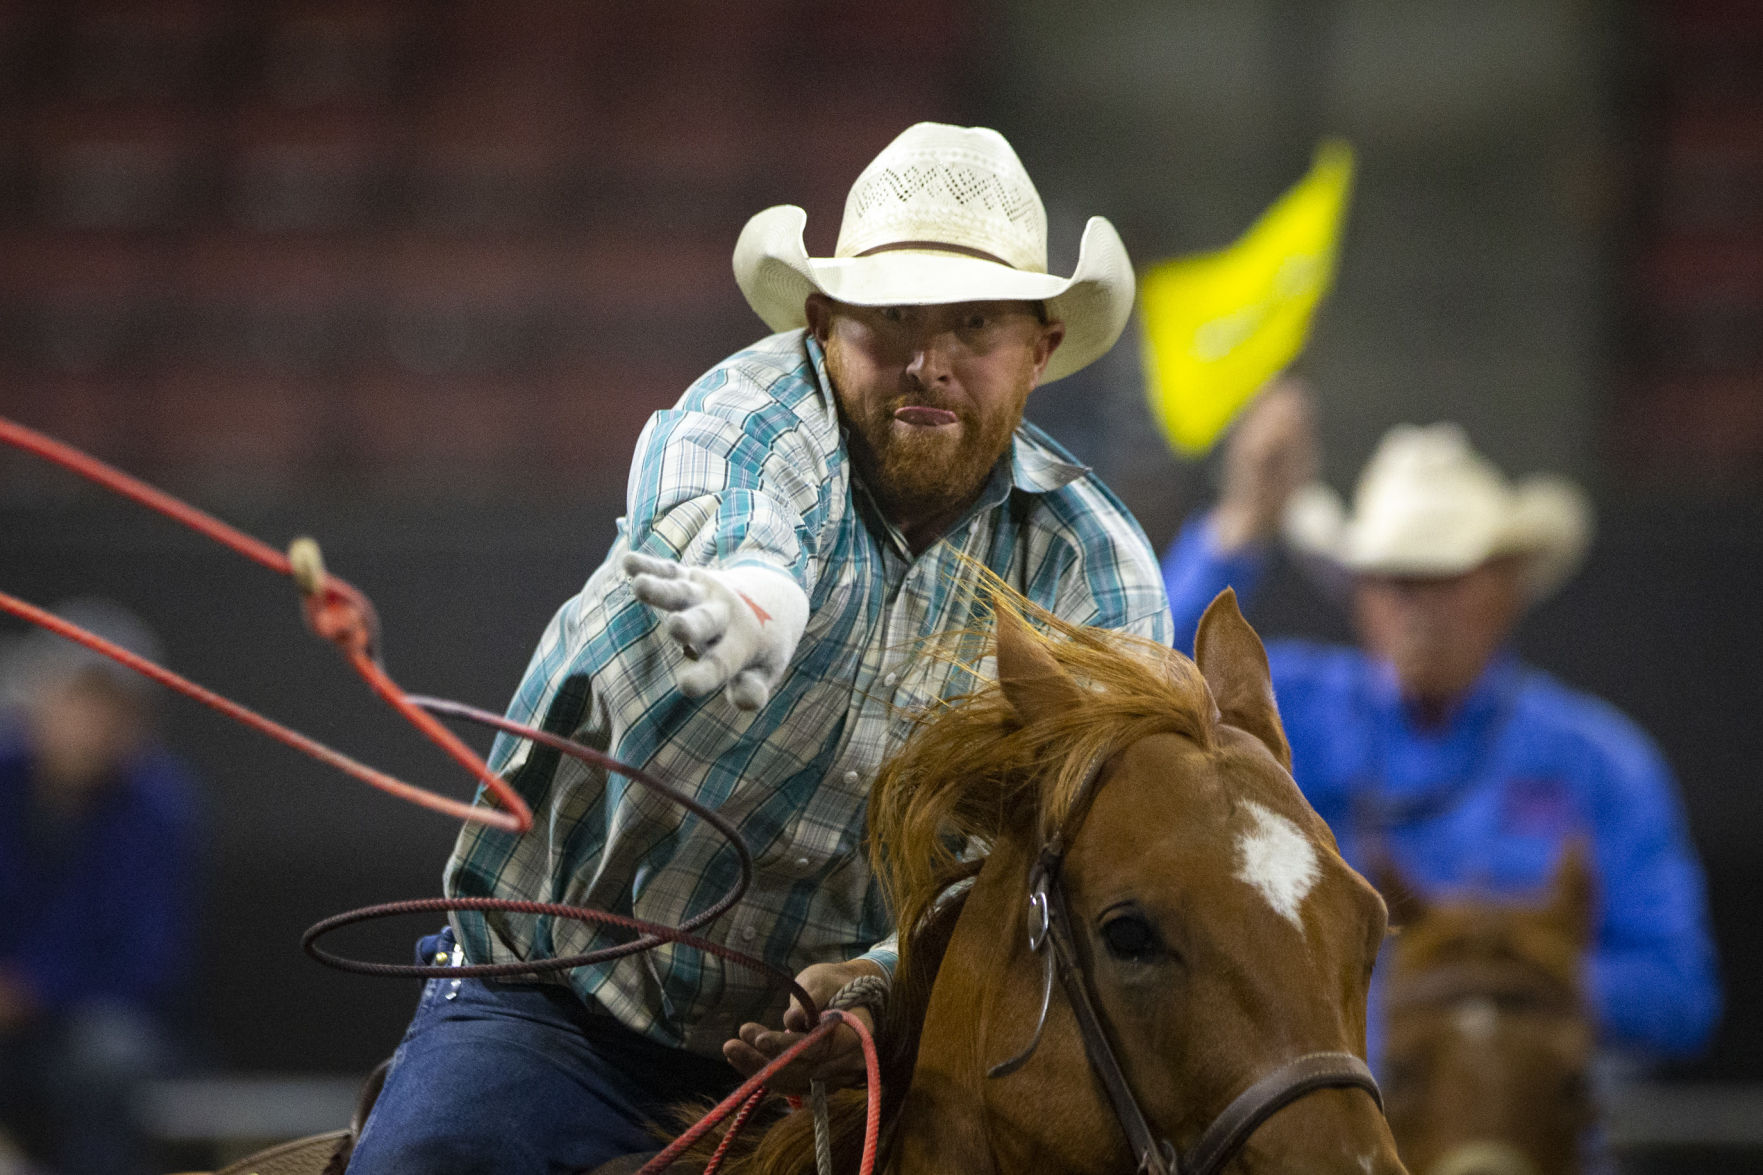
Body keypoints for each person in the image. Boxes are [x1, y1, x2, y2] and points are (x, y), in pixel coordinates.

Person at [346, 122, 1173, 1172]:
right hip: (555, 1000)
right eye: (889, 320)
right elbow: (726, 500)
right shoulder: (754, 411)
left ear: (1040, 349)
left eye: (973, 325)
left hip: (848, 1046)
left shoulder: (1092, 569)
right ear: (822, 325)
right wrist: (759, 593)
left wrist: (880, 976)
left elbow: (1056, 854)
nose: (928, 362)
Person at [1159, 379, 1721, 1068]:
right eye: (1395, 578)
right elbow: (1141, 674)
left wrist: (1508, 974)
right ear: (1358, 593)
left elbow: (1679, 994)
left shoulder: (1597, 763)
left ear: (1507, 585)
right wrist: (1242, 520)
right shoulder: (1290, 707)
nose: (1418, 606)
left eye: (1445, 575)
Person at [0, 598, 206, 1175]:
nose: (88, 722)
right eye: (74, 699)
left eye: (108, 706)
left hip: (87, 1022)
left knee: (111, 1054)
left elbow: (151, 962)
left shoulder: (161, 806)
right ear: (35, 701)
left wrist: (31, 991)